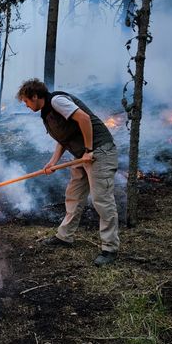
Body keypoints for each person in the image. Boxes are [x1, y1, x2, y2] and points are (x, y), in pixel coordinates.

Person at [16, 78, 120, 267]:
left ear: (35, 96)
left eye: (26, 101)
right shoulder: (47, 112)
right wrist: (53, 161)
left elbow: (84, 118)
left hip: (99, 152)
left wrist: (89, 150)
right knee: (74, 195)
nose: (26, 105)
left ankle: (110, 248)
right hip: (82, 155)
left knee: (102, 200)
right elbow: (64, 137)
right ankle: (64, 236)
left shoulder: (56, 101)